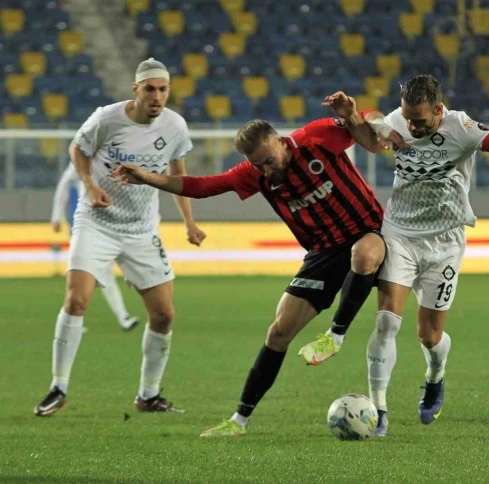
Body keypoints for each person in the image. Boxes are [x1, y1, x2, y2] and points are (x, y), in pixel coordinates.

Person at [300, 74, 489, 436]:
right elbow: (371, 140)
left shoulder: (462, 127)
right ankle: (379, 411)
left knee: (429, 336)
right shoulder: (396, 121)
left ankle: (435, 375)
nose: (412, 126)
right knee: (386, 323)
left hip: (444, 243)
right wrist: (352, 118)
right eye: (408, 119)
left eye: (420, 121)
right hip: (400, 234)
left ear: (439, 110)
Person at [112, 102, 387, 438]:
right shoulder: (255, 174)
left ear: (281, 142)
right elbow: (201, 187)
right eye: (258, 165)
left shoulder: (314, 137)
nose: (267, 170)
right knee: (277, 333)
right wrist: (146, 178)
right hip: (324, 251)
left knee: (365, 254)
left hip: (369, 231)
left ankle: (335, 336)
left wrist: (358, 115)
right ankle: (239, 421)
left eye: (269, 160)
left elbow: (368, 122)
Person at [33, 58, 206, 417]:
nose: (157, 97)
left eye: (163, 89)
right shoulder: (106, 119)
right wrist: (91, 185)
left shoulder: (175, 126)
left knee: (163, 315)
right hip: (97, 222)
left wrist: (189, 222)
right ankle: (58, 387)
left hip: (142, 230)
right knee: (76, 301)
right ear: (135, 90)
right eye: (150, 89)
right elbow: (77, 151)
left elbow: (178, 175)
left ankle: (148, 395)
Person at [51, 162, 140, 332]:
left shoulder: (111, 159)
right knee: (97, 272)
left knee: (94, 273)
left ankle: (74, 319)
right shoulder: (85, 159)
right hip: (86, 225)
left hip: (107, 223)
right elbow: (64, 184)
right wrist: (56, 216)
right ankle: (122, 317)